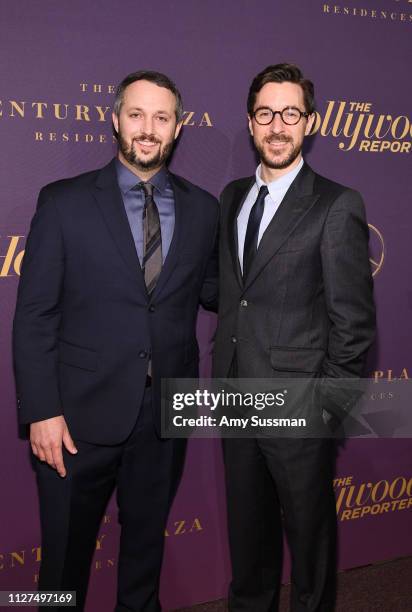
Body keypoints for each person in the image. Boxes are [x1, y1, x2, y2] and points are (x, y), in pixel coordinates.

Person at [13, 70, 218, 611]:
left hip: (164, 417)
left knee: (144, 558)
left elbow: (222, 292)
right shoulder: (63, 202)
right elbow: (34, 314)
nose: (148, 129)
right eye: (137, 114)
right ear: (115, 119)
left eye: (161, 117)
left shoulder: (203, 210)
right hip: (74, 422)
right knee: (62, 565)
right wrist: (41, 411)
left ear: (177, 128)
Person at [212, 63, 375, 611]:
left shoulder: (336, 203)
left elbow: (353, 324)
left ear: (311, 121)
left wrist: (327, 412)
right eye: (265, 114)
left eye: (290, 114)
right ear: (251, 121)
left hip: (300, 410)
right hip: (235, 397)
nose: (277, 126)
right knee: (248, 544)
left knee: (309, 554)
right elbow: (233, 291)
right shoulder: (232, 196)